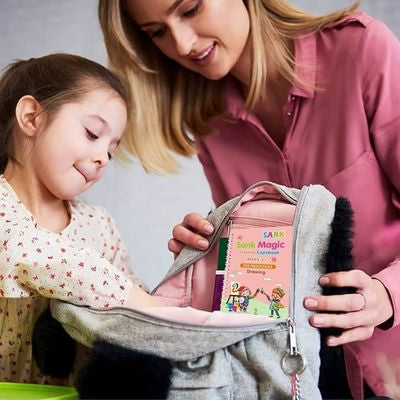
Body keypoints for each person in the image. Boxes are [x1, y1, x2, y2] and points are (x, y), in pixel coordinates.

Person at [98, 1, 400, 398]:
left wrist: (387, 295)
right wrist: (208, 259)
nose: (182, 44)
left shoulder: (360, 50)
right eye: (157, 32)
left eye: (190, 9)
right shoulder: (209, 119)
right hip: (303, 377)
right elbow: (262, 283)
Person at [0, 53, 163, 384]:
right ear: (31, 117)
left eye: (111, 149)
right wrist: (148, 306)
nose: (103, 157)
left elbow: (130, 295)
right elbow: (27, 253)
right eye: (92, 133)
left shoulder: (98, 224)